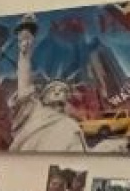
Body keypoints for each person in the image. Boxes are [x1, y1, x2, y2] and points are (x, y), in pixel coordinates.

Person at [9, 15, 87, 152]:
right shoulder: (33, 109)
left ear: (66, 98)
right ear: (43, 96)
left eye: (62, 90)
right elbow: (24, 82)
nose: (57, 91)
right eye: (52, 89)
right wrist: (24, 54)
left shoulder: (71, 126)